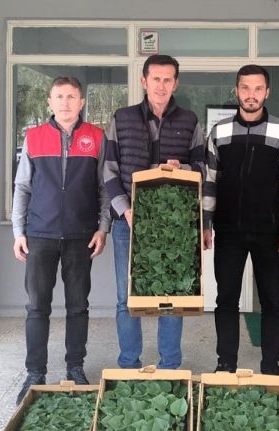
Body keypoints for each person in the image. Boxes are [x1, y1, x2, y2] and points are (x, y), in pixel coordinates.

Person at [11, 76, 111, 404]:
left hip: (81, 236)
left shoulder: (96, 137)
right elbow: (22, 187)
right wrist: (18, 232)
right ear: (49, 102)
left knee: (78, 306)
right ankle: (35, 373)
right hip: (40, 235)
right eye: (59, 96)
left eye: (71, 97)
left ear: (81, 102)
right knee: (36, 306)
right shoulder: (34, 137)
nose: (65, 102)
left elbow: (104, 188)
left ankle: (75, 368)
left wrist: (102, 228)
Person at [103, 54, 206, 369]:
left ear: (176, 83)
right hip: (128, 222)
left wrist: (183, 167)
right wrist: (126, 211)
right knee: (126, 297)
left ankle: (170, 365)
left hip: (173, 225)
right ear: (144, 81)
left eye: (167, 79)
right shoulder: (122, 118)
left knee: (171, 296)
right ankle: (128, 364)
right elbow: (108, 171)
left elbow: (203, 168)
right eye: (156, 79)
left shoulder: (190, 120)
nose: (161, 85)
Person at [202, 64, 279, 376]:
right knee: (226, 300)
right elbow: (209, 182)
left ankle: (270, 365)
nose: (251, 94)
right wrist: (206, 223)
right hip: (229, 231)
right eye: (245, 88)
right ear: (236, 90)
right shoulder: (219, 132)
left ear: (267, 92)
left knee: (272, 301)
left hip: (270, 232)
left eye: (258, 88)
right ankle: (226, 363)